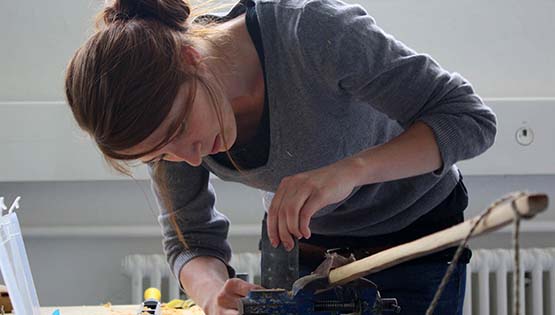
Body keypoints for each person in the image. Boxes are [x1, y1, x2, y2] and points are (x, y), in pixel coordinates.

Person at [64, 0, 497, 314]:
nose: (188, 158)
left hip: (414, 241)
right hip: (300, 256)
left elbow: (469, 119)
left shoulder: (311, 32)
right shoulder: (160, 129)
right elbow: (188, 239)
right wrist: (213, 292)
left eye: (178, 130)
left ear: (190, 57)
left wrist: (351, 171)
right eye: (160, 153)